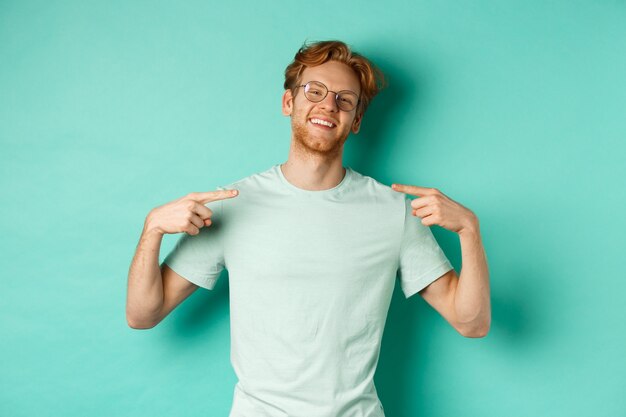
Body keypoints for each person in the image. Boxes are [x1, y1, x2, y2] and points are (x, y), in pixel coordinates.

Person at [126, 40, 490, 417]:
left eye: (345, 100)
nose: (328, 105)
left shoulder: (392, 212)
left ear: (357, 120)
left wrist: (469, 231)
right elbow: (142, 314)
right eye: (315, 91)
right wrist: (152, 228)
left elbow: (472, 322)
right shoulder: (232, 204)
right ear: (289, 103)